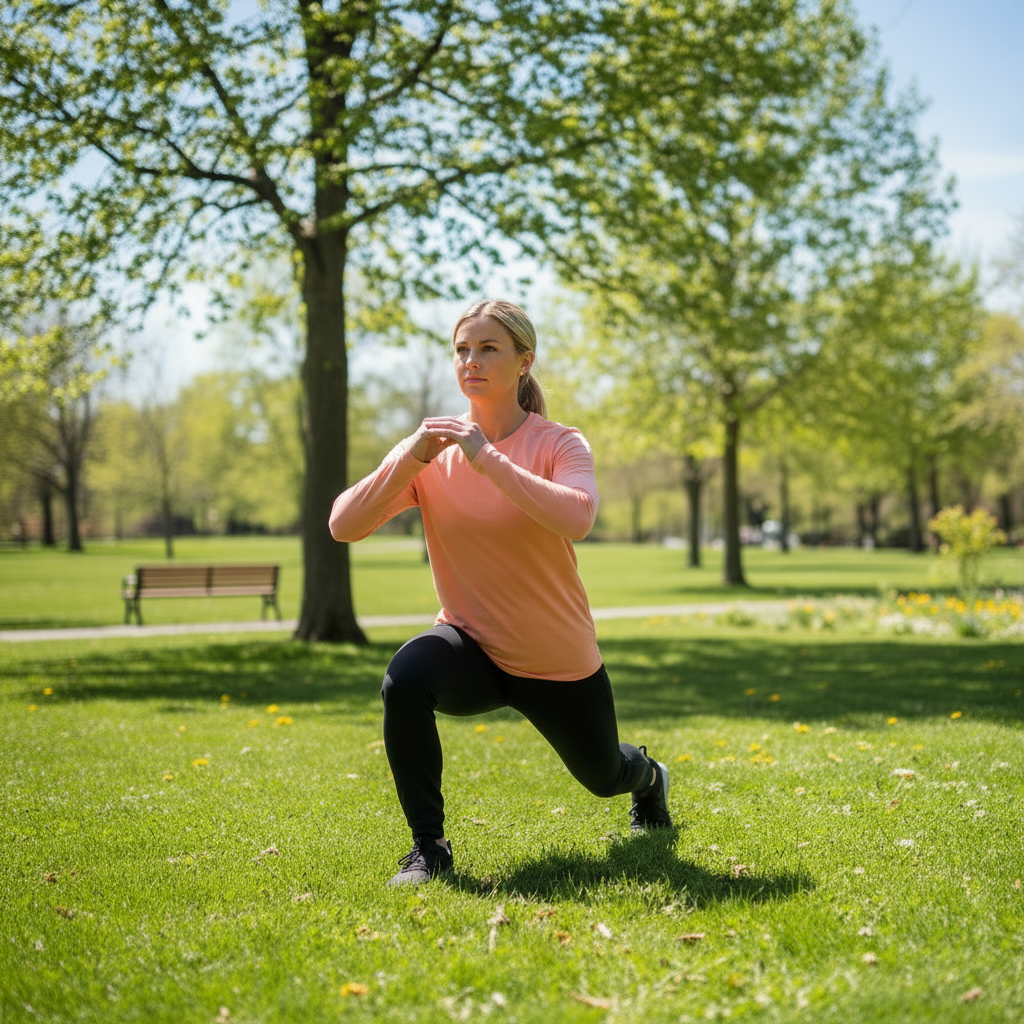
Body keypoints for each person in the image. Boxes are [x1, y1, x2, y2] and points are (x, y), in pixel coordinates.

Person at [329, 299, 672, 887]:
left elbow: (578, 516)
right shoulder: (431, 448)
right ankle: (430, 849)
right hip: (471, 646)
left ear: (523, 361)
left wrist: (484, 457)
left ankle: (650, 776)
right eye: (462, 349)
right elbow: (343, 524)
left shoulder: (560, 443)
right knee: (405, 679)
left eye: (489, 349)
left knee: (604, 776)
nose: (472, 361)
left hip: (554, 658)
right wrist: (411, 457)